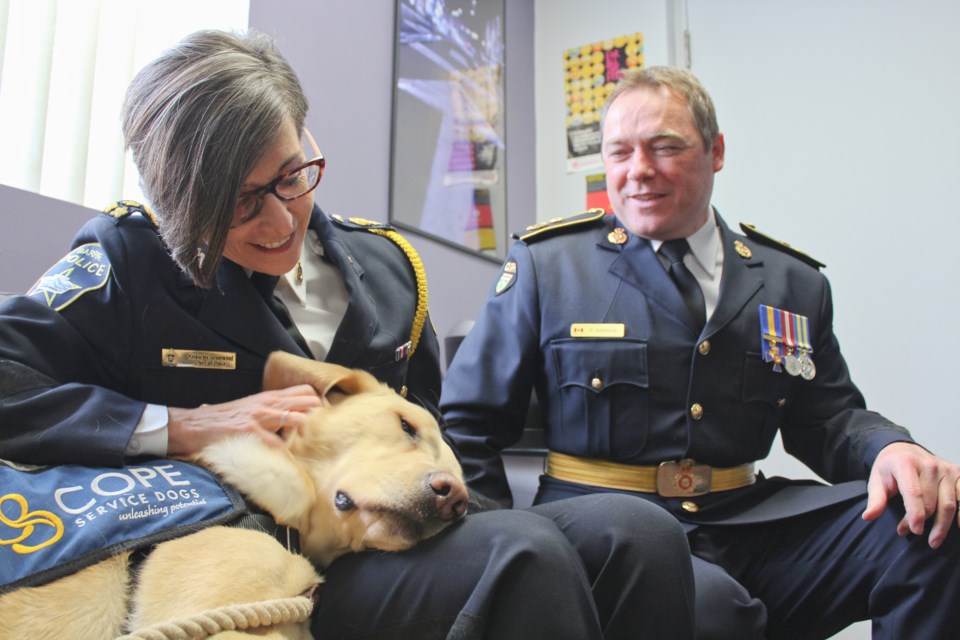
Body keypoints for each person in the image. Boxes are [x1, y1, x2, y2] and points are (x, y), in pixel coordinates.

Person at [0, 31, 697, 639]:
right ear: (176, 200)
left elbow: (436, 432)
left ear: (306, 135)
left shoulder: (391, 270)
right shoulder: (129, 263)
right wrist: (178, 425)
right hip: (260, 555)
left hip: (403, 525)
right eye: (239, 205)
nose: (278, 224)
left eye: (292, 177)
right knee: (522, 554)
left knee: (639, 534)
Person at [440, 65, 960, 640]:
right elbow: (468, 425)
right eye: (619, 153)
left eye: (665, 148)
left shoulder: (791, 281)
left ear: (715, 151)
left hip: (745, 517)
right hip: (604, 529)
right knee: (713, 610)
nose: (638, 171)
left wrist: (891, 448)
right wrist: (497, 555)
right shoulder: (550, 265)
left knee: (934, 523)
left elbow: (827, 419)